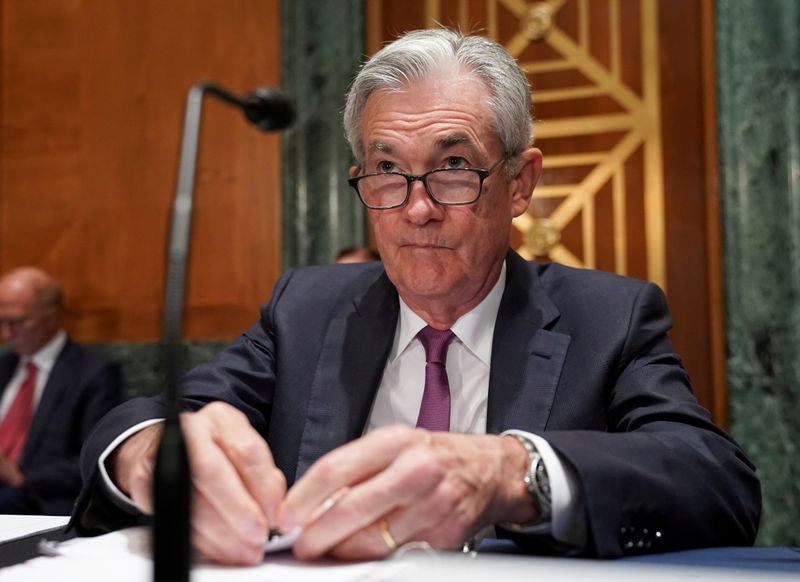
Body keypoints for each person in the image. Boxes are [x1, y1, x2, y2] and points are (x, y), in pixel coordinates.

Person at [71, 29, 760, 565]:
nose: (416, 208)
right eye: (388, 171)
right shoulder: (307, 307)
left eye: (454, 168)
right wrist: (149, 451)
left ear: (520, 183)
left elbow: (718, 484)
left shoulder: (608, 316)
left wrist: (510, 472)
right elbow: (149, 421)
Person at [0, 267, 120, 514]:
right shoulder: (4, 366)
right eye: (2, 321)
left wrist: (20, 476)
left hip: (41, 499)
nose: (6, 334)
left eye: (18, 322)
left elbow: (98, 458)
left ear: (52, 316)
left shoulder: (92, 373)